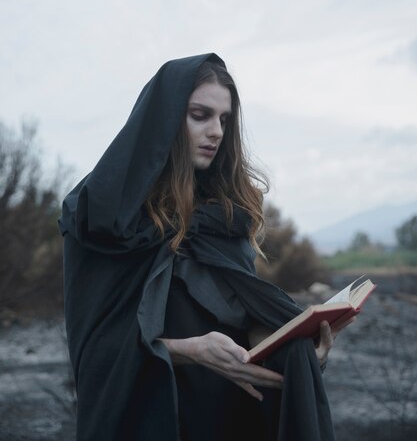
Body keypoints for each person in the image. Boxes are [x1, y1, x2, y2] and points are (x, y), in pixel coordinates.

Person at [59, 53, 345, 441]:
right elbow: (95, 350)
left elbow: (243, 319)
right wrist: (190, 349)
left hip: (232, 417)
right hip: (150, 417)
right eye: (200, 115)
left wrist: (293, 353)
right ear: (164, 120)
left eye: (224, 119)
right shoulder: (104, 216)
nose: (216, 131)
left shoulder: (226, 215)